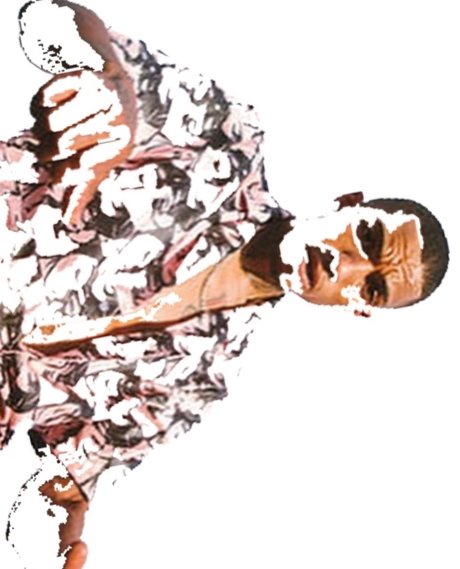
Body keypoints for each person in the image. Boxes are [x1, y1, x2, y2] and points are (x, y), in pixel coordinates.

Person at [0, 2, 449, 568]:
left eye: (373, 287)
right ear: (347, 203)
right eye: (367, 237)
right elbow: (52, 18)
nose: (348, 267)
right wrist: (110, 84)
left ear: (360, 311)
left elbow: (70, 478)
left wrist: (47, 534)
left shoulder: (201, 383)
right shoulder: (225, 139)